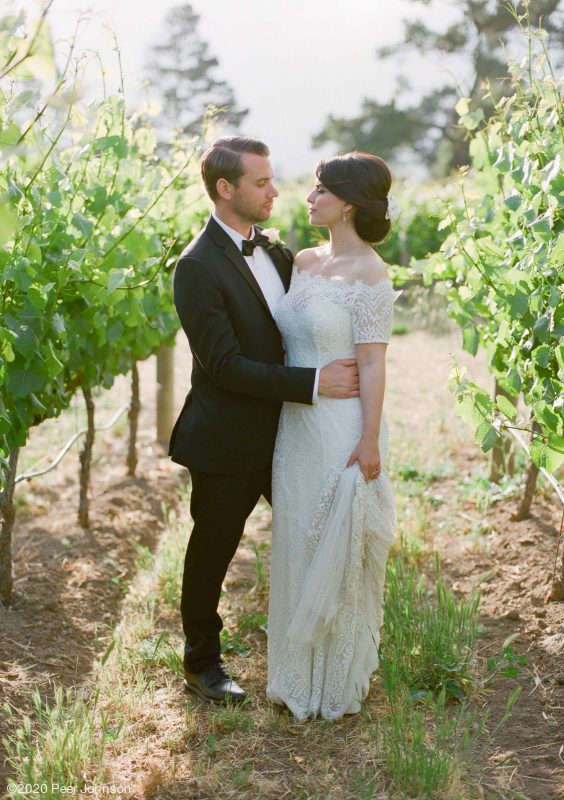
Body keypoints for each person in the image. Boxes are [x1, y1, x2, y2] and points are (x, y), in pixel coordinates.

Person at [169, 136, 360, 705]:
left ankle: (322, 654)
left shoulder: (276, 252)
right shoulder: (196, 267)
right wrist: (313, 384)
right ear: (225, 189)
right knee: (213, 553)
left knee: (319, 534)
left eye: (273, 179)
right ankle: (202, 663)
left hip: (294, 435)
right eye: (261, 182)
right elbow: (224, 366)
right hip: (228, 441)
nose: (276, 191)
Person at [267, 152, 398, 720]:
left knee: (333, 545)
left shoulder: (371, 273)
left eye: (320, 190)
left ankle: (332, 684)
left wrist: (369, 440)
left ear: (347, 202)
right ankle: (292, 675)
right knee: (296, 535)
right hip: (296, 423)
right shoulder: (301, 260)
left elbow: (372, 363)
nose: (309, 197)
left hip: (342, 428)